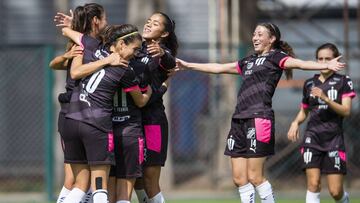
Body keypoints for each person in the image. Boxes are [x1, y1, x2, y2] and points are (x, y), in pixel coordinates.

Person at [176, 23, 345, 203]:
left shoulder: (277, 57)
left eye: (260, 34)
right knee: (239, 179)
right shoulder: (247, 61)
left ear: (271, 39)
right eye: (254, 34)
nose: (255, 38)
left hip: (259, 118)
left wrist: (327, 64)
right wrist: (188, 65)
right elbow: (218, 67)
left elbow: (301, 64)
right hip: (238, 120)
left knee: (255, 177)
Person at [61, 23, 152, 203]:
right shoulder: (125, 69)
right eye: (134, 49)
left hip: (71, 119)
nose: (136, 54)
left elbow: (74, 65)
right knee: (99, 187)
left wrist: (76, 35)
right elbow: (140, 101)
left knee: (80, 184)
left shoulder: (92, 48)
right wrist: (150, 90)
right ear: (121, 45)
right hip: (96, 125)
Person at [52, 3, 108, 202]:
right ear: (96, 21)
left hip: (73, 116)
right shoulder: (85, 46)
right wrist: (67, 54)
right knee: (80, 181)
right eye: (104, 18)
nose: (107, 22)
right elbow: (58, 65)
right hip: (81, 114)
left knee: (78, 182)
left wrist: (72, 28)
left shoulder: (93, 43)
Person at [287, 43, 355, 203]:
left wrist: (325, 98)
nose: (324, 62)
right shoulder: (309, 83)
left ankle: (344, 199)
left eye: (328, 59)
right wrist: (295, 122)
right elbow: (304, 110)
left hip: (334, 139)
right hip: (313, 138)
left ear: (335, 60)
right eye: (320, 59)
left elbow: (346, 111)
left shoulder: (344, 81)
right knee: (313, 183)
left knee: (335, 191)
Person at [132, 11, 178, 203]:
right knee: (136, 180)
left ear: (164, 33)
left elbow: (170, 62)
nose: (149, 24)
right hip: (132, 120)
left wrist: (164, 54)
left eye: (156, 23)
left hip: (153, 122)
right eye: (149, 21)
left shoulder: (161, 53)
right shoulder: (136, 49)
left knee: (150, 180)